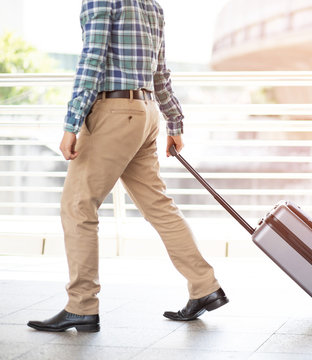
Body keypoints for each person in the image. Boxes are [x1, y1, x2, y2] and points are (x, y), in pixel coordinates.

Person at [27, 0, 228, 332]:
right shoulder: (152, 6)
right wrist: (174, 123)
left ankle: (82, 306)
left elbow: (92, 60)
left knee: (78, 205)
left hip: (115, 111)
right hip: (146, 112)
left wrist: (71, 123)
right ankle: (205, 286)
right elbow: (161, 71)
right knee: (158, 205)